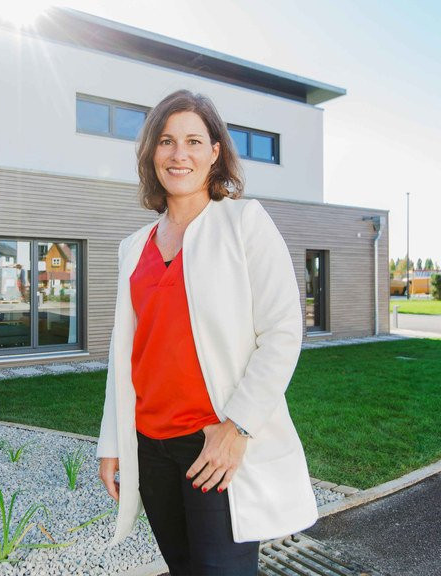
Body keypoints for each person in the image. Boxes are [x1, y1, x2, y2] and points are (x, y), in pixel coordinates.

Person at [96, 90, 318, 576]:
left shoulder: (245, 223)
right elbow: (125, 356)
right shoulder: (134, 247)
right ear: (151, 153)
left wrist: (237, 428)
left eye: (194, 141)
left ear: (215, 151)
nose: (180, 154)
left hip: (211, 444)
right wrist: (112, 442)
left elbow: (282, 330)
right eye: (167, 141)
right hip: (150, 447)